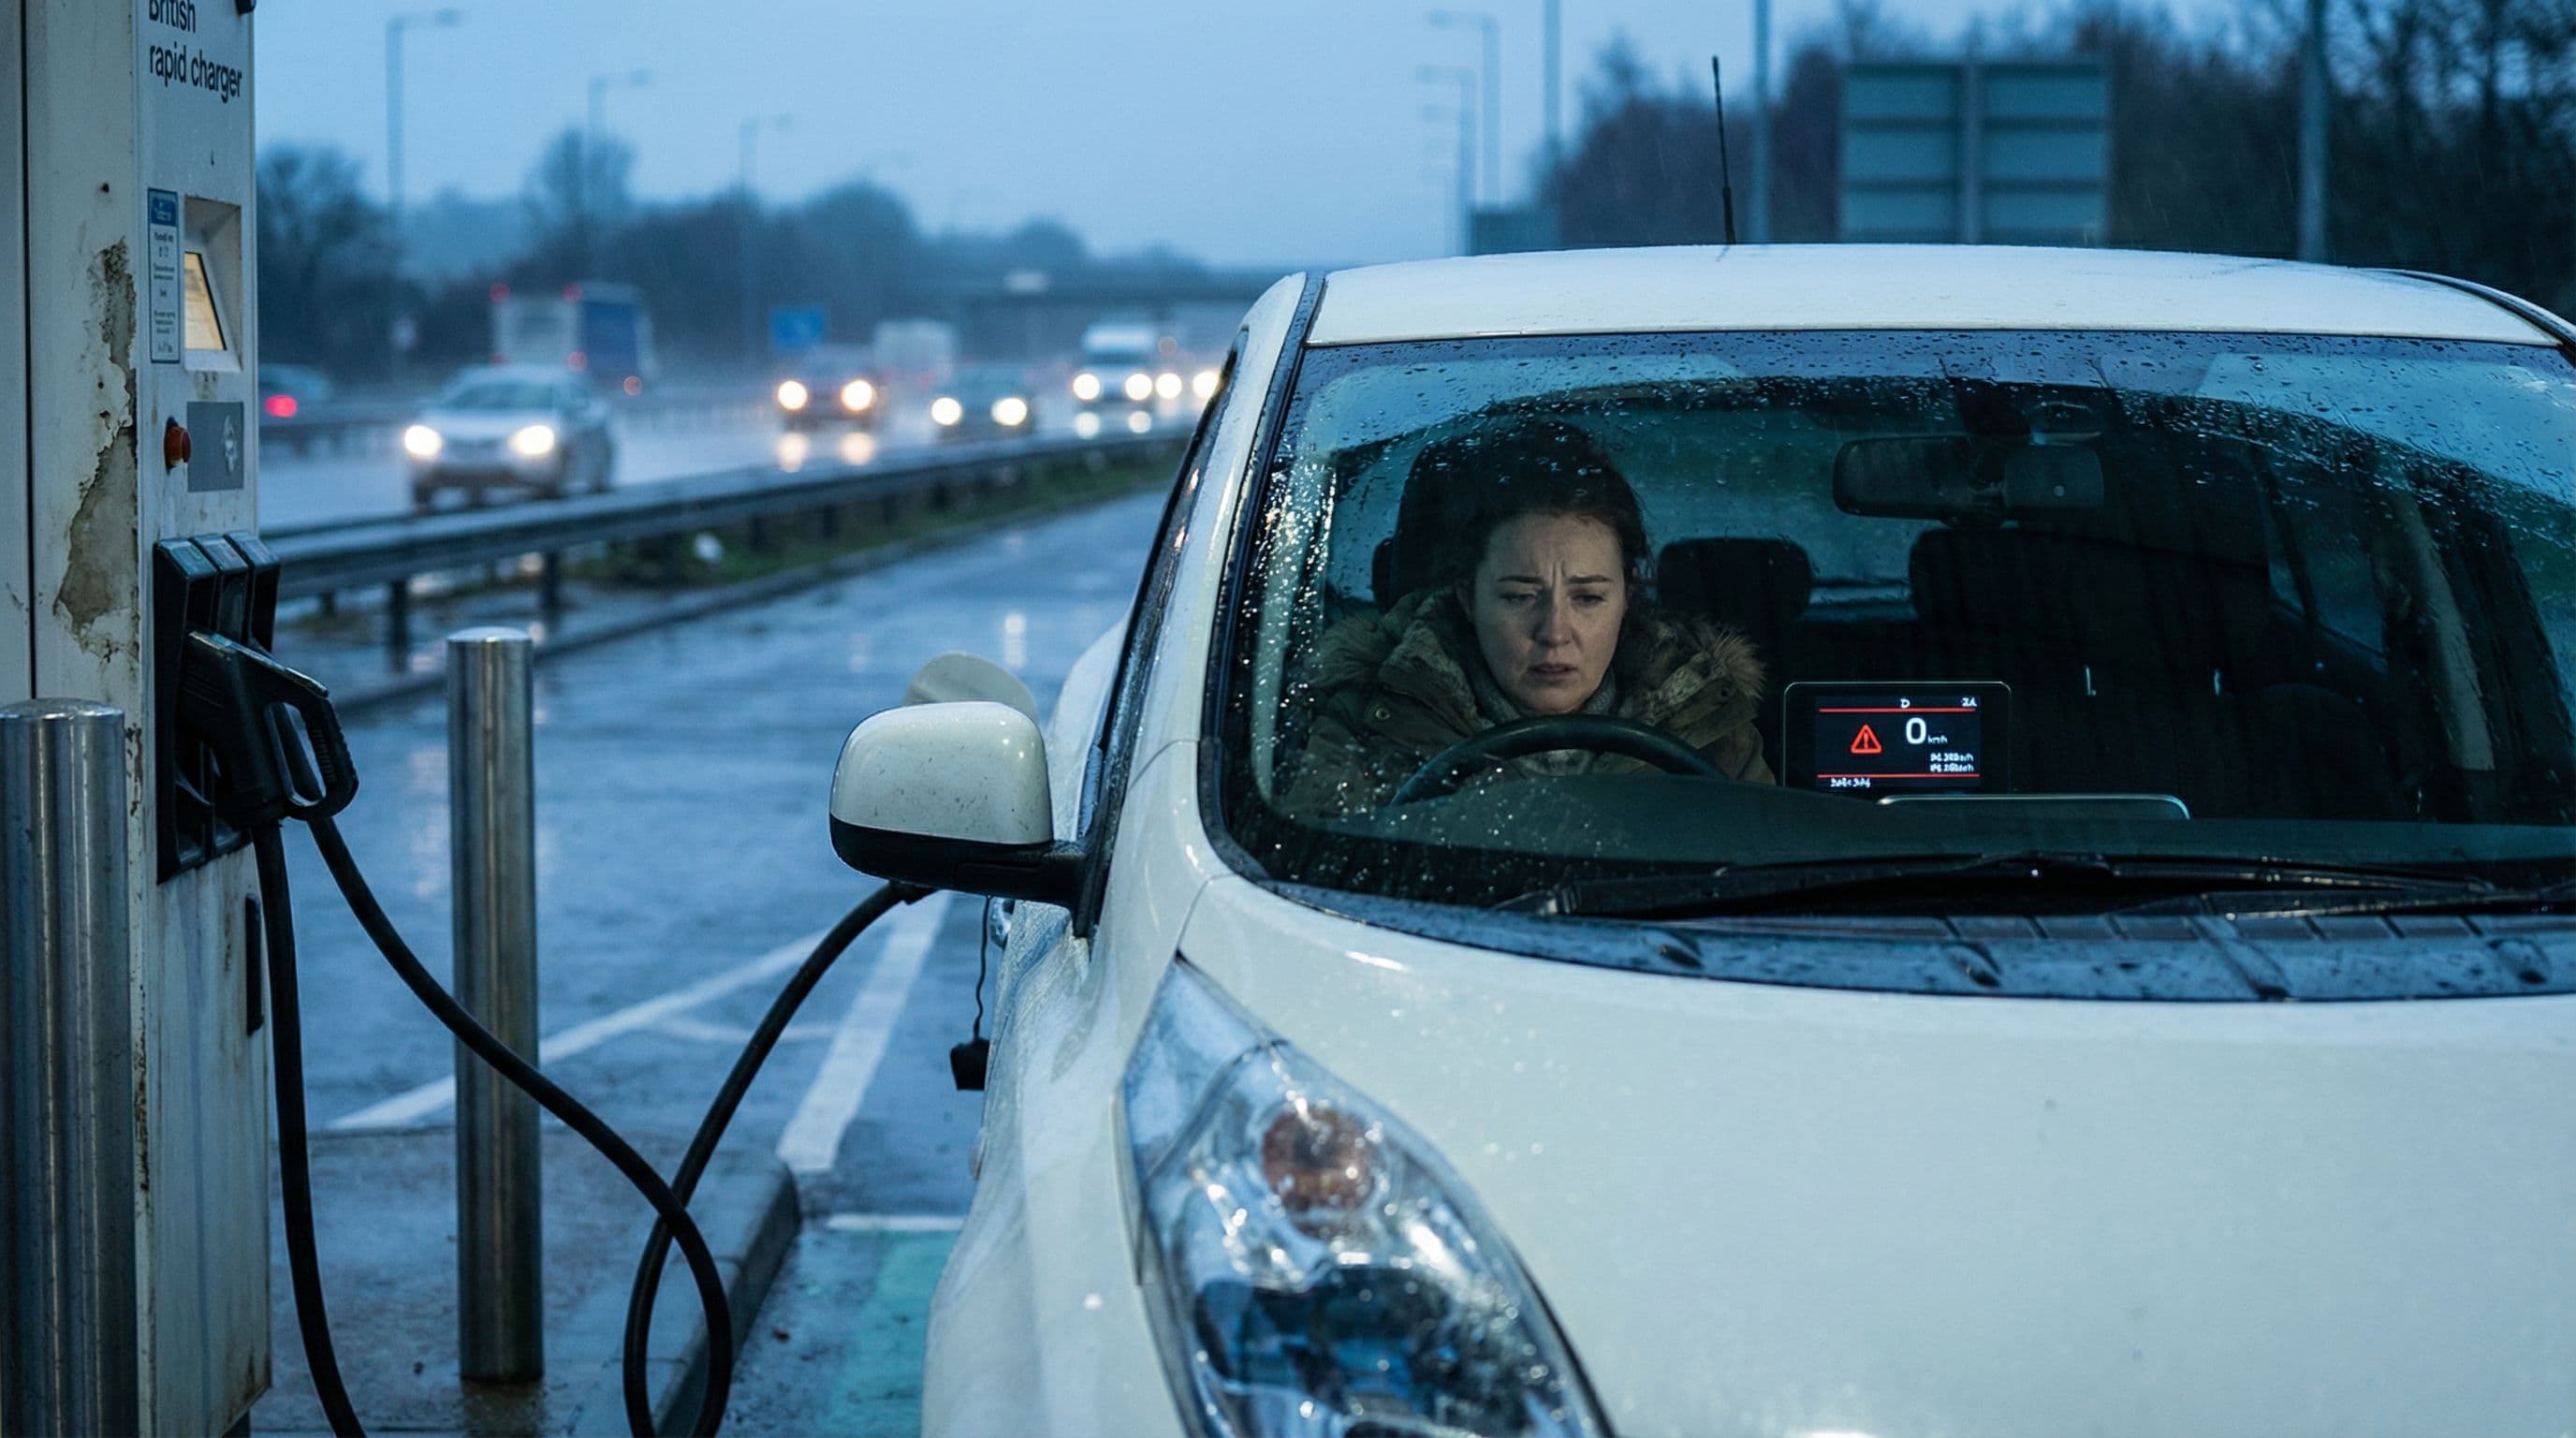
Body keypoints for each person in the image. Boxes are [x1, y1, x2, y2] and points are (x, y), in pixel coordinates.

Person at [1285, 418, 1774, 815]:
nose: (1555, 633)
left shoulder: (1708, 723)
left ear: (1628, 595)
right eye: (1520, 597)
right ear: (1469, 597)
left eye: (1588, 599)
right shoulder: (1370, 725)